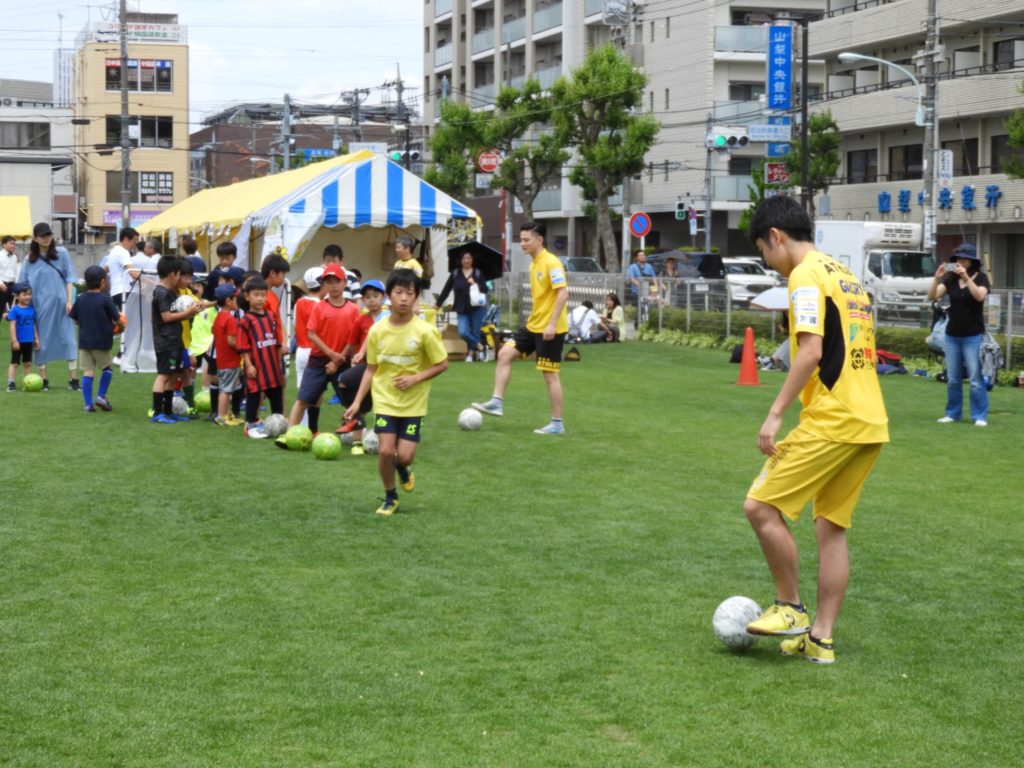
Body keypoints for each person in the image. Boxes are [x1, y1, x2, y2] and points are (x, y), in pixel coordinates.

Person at [741, 195, 889, 665]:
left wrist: (775, 412)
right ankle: (820, 639)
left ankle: (789, 607)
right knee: (831, 528)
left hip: (835, 418)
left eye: (764, 251)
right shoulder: (844, 275)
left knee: (760, 507)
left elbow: (809, 351)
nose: (769, 263)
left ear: (777, 237)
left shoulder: (804, 275)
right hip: (869, 421)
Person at [343, 269, 449, 515]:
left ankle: (403, 468)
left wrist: (415, 378)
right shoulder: (377, 331)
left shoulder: (425, 331)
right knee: (384, 451)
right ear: (389, 296)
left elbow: (442, 364)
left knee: (404, 457)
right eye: (398, 292)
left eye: (409, 293)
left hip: (413, 403)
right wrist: (358, 402)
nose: (403, 298)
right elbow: (370, 369)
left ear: (415, 297)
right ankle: (390, 497)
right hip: (386, 400)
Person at [472, 221, 569, 435]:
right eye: (521, 239)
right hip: (534, 325)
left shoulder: (551, 263)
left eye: (526, 240)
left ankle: (557, 424)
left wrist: (552, 324)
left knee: (550, 375)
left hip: (550, 328)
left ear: (539, 240)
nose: (522, 243)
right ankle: (496, 402)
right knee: (505, 353)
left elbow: (563, 293)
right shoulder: (534, 263)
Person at [278, 263, 358, 444]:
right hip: (318, 360)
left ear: (345, 282)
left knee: (351, 401)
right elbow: (311, 334)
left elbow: (352, 338)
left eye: (337, 281)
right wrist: (331, 355)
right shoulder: (319, 307)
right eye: (329, 282)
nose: (334, 286)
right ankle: (288, 435)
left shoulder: (353, 309)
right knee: (304, 398)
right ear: (324, 286)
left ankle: (358, 439)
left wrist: (338, 360)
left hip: (343, 361)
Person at [926, 242, 991, 427]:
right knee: (953, 379)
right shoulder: (950, 279)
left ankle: (979, 415)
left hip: (973, 336)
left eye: (965, 259)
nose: (961, 262)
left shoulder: (981, 278)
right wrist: (936, 279)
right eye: (958, 259)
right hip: (952, 335)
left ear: (972, 262)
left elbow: (979, 296)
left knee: (975, 378)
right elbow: (932, 296)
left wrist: (966, 278)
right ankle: (953, 413)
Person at [18, 222, 79, 391]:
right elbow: (23, 285)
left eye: (49, 235)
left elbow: (69, 279)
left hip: (62, 306)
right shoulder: (29, 260)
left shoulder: (62, 253)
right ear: (35, 238)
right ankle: (44, 380)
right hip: (40, 308)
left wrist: (69, 301)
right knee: (41, 343)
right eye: (43, 236)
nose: (46, 238)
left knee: (69, 340)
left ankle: (73, 380)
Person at [150, 255, 203, 424]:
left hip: (175, 340)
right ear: (173, 274)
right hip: (165, 341)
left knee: (173, 377)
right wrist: (187, 314)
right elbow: (166, 317)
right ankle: (158, 412)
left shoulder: (170, 292)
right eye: (180, 274)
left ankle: (168, 411)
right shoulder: (161, 292)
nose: (181, 278)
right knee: (163, 376)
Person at [337, 278, 387, 453]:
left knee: (382, 405)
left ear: (384, 297)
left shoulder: (389, 317)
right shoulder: (360, 320)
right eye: (367, 297)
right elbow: (353, 344)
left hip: (387, 369)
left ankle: (387, 440)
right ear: (363, 300)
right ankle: (356, 435)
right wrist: (355, 356)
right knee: (345, 380)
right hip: (368, 367)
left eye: (375, 296)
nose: (372, 300)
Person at [236, 276, 286, 438]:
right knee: (254, 396)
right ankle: (249, 425)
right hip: (256, 366)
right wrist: (249, 365)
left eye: (263, 295)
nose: (260, 298)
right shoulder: (245, 321)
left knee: (276, 395)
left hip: (272, 366)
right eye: (256, 295)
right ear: (247, 296)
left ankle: (277, 424)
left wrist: (278, 361)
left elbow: (277, 341)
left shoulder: (271, 315)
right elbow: (243, 347)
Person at [69, 265, 120, 412]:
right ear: (103, 282)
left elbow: (76, 319)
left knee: (88, 371)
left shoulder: (80, 299)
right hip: (101, 341)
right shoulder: (105, 300)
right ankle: (101, 396)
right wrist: (120, 328)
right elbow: (118, 320)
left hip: (84, 342)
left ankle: (88, 404)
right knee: (107, 368)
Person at [434, 250, 489, 362]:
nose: (466, 260)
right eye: (464, 258)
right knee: (463, 332)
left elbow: (485, 289)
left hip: (477, 308)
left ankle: (470, 354)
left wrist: (475, 283)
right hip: (461, 309)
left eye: (469, 258)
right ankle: (481, 347)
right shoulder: (455, 273)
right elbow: (446, 290)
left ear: (472, 260)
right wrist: (438, 304)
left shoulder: (478, 273)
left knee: (475, 332)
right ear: (461, 260)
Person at [211, 283, 245, 426]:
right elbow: (231, 341)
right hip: (230, 361)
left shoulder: (219, 317)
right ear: (228, 301)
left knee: (226, 388)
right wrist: (243, 346)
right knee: (226, 390)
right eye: (235, 298)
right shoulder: (230, 319)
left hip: (222, 360)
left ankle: (226, 414)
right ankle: (221, 416)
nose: (237, 301)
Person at [6, 283, 39, 391]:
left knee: (27, 363)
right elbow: (12, 326)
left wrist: (36, 339)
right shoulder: (15, 310)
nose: (28, 297)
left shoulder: (31, 309)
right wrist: (14, 341)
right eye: (24, 294)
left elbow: (33, 325)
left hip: (29, 341)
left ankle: (27, 382)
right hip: (18, 342)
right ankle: (11, 383)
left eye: (29, 294)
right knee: (14, 363)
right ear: (17, 296)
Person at [103, 227, 141, 310]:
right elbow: (134, 274)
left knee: (125, 319)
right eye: (134, 242)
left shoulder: (114, 251)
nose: (135, 245)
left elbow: (105, 269)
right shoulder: (123, 252)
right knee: (131, 320)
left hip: (116, 292)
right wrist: (150, 280)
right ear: (126, 239)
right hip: (124, 291)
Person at [0, 235, 19, 315]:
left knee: (17, 310)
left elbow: (14, 273)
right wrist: (0, 284)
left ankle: (15, 328)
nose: (13, 245)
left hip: (12, 286)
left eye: (14, 244)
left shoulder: (14, 257)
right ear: (4, 244)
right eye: (11, 243)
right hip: (1, 287)